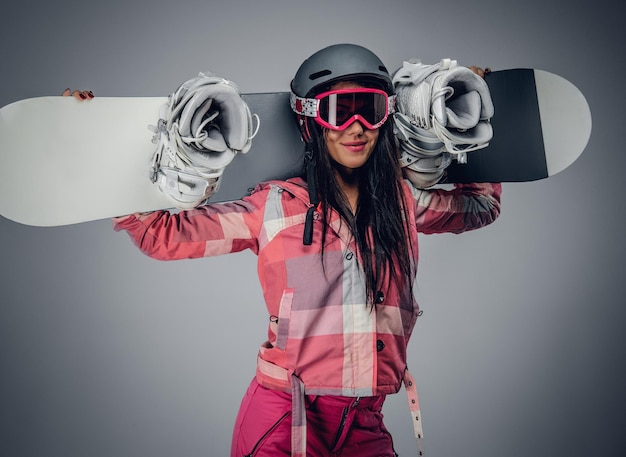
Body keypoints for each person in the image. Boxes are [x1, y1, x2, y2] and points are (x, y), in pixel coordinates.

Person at [105, 44, 500, 457]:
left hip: (366, 419)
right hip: (283, 417)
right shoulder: (273, 206)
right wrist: (99, 148)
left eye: (371, 108)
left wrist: (472, 114)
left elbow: (481, 206)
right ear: (311, 119)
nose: (357, 127)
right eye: (338, 111)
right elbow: (159, 235)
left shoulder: (402, 203)